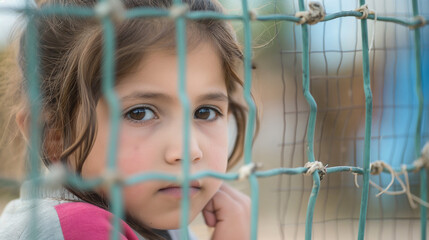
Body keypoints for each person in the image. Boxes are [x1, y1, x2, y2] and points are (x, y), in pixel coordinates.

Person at [0, 0, 259, 239]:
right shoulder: (77, 227)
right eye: (140, 113)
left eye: (205, 112)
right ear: (52, 134)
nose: (189, 150)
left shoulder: (159, 224)